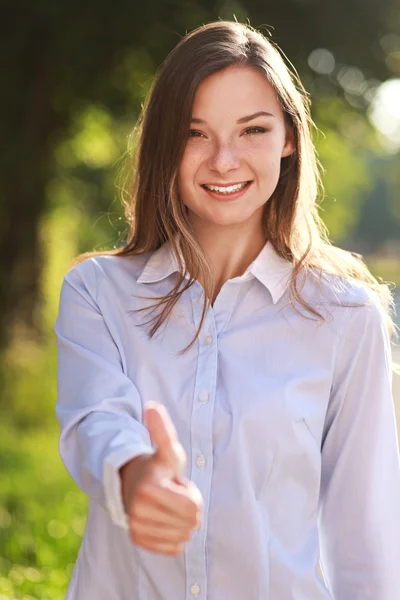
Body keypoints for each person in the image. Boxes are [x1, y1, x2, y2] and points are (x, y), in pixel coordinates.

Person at [54, 20, 400, 600]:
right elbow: (94, 421)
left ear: (289, 137)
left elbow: (364, 536)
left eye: (252, 130)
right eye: (195, 133)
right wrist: (135, 475)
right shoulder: (97, 292)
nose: (223, 160)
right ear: (165, 141)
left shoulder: (347, 316)